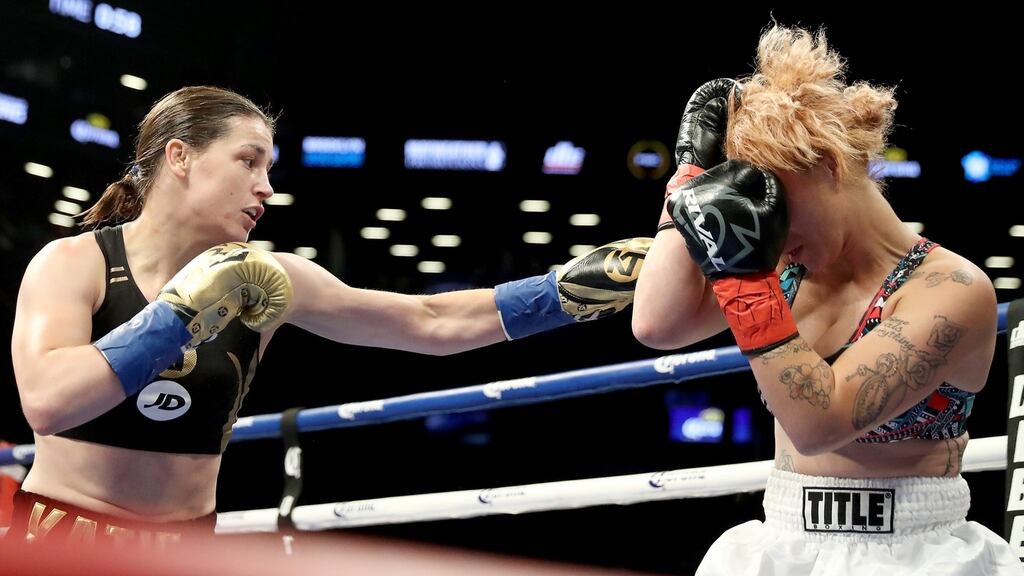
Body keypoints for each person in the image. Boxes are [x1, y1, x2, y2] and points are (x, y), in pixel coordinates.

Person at [7, 85, 650, 547]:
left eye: (270, 168)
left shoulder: (273, 278)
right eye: (248, 161)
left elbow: (430, 321)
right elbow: (48, 401)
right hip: (61, 537)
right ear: (180, 158)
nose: (266, 186)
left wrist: (573, 288)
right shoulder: (76, 263)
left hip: (186, 545)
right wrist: (187, 306)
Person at [633, 24, 1021, 574]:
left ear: (827, 163)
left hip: (914, 551)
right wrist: (688, 180)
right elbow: (657, 324)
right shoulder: (782, 267)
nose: (767, 229)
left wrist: (744, 275)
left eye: (774, 203)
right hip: (783, 536)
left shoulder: (951, 289)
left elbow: (819, 423)